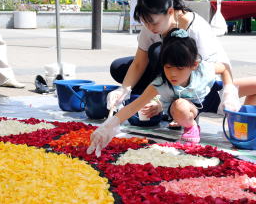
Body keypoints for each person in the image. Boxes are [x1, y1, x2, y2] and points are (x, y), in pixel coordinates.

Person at [87, 28, 256, 157]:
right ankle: (191, 128)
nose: (173, 74)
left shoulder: (203, 69)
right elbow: (133, 107)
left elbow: (225, 68)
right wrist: (108, 126)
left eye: (180, 68)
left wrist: (229, 91)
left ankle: (242, 125)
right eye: (168, 67)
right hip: (186, 107)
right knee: (180, 106)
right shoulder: (161, 83)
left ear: (194, 65)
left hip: (212, 95)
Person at [107, 0, 232, 128]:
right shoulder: (150, 26)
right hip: (171, 75)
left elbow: (208, 71)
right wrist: (124, 90)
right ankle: (155, 97)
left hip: (199, 81)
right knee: (119, 67)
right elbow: (138, 63)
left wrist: (173, 106)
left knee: (157, 52)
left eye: (153, 23)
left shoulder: (196, 29)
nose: (149, 28)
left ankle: (173, 105)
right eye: (145, 22)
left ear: (170, 12)